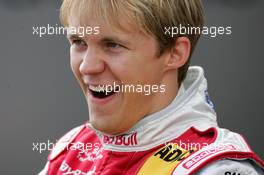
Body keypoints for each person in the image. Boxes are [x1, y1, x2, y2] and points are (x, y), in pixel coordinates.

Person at [39, 0, 263, 174]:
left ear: (175, 53)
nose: (88, 66)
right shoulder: (72, 150)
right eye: (79, 42)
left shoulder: (218, 168)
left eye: (113, 45)